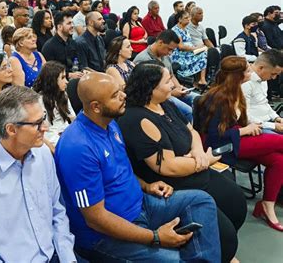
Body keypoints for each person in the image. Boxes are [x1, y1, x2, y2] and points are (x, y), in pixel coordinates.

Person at [55, 72, 221, 262]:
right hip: (104, 237)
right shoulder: (77, 147)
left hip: (140, 204)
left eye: (120, 91)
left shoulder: (110, 124)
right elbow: (95, 220)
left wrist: (145, 185)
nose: (124, 96)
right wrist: (156, 237)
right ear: (96, 107)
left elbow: (120, 171)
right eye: (115, 95)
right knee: (174, 259)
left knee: (201, 201)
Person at [119, 62, 246, 262]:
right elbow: (168, 167)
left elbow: (191, 131)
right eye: (167, 81)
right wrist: (204, 161)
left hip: (195, 170)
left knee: (234, 201)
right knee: (226, 237)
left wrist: (198, 152)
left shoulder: (166, 104)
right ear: (151, 88)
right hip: (177, 185)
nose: (172, 85)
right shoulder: (137, 119)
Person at [0, 85, 76, 262]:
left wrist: (68, 258)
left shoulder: (43, 153)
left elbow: (57, 212)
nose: (45, 127)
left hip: (55, 254)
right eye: (37, 123)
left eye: (43, 118)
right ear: (11, 129)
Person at [197, 56, 283, 232]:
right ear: (239, 76)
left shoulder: (236, 93)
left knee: (279, 161)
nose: (252, 72)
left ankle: (266, 205)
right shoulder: (217, 98)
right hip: (223, 146)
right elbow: (214, 137)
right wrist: (244, 130)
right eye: (248, 70)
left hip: (237, 139)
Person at [134, 30, 196, 123]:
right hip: (158, 98)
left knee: (199, 100)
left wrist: (179, 87)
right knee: (189, 112)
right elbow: (147, 90)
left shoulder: (164, 55)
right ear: (160, 43)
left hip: (170, 91)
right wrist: (172, 92)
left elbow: (171, 75)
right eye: (169, 49)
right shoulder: (143, 60)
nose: (170, 53)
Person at [33, 61, 75, 151]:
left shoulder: (63, 95)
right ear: (52, 80)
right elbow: (46, 130)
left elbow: (73, 118)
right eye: (62, 78)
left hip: (67, 135)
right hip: (51, 140)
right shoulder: (39, 100)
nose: (67, 82)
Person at [242, 49, 283, 133]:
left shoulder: (263, 78)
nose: (274, 78)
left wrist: (277, 118)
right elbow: (245, 117)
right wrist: (273, 126)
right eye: (273, 74)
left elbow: (264, 103)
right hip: (256, 126)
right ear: (261, 68)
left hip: (268, 122)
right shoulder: (245, 82)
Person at [171, 10, 208, 87]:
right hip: (180, 55)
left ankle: (202, 79)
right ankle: (200, 79)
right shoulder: (176, 30)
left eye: (189, 17)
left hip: (189, 52)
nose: (188, 19)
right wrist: (194, 48)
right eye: (186, 18)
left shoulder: (186, 29)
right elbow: (180, 47)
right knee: (203, 54)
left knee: (205, 51)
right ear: (180, 19)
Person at [42, 11, 83, 79]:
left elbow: (79, 61)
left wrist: (83, 70)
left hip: (76, 77)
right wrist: (69, 75)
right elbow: (50, 72)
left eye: (72, 23)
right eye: (69, 23)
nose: (72, 26)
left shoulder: (73, 43)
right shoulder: (49, 46)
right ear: (60, 27)